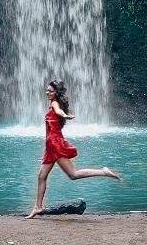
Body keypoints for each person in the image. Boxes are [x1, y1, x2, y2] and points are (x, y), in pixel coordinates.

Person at [25, 79, 122, 218]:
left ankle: (103, 172)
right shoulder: (54, 103)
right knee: (41, 176)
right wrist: (46, 151)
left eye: (50, 91)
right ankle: (38, 207)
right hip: (51, 146)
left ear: (56, 93)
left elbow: (58, 111)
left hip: (55, 145)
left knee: (73, 175)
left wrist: (64, 115)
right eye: (46, 90)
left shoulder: (54, 104)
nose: (47, 92)